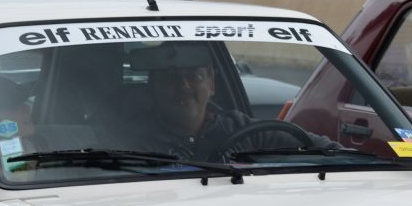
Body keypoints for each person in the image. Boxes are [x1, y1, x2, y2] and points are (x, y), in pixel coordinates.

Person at [126, 42, 341, 161]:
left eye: (194, 76)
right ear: (152, 87)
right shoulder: (126, 141)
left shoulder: (244, 130)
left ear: (211, 84)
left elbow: (332, 153)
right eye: (171, 78)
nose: (183, 86)